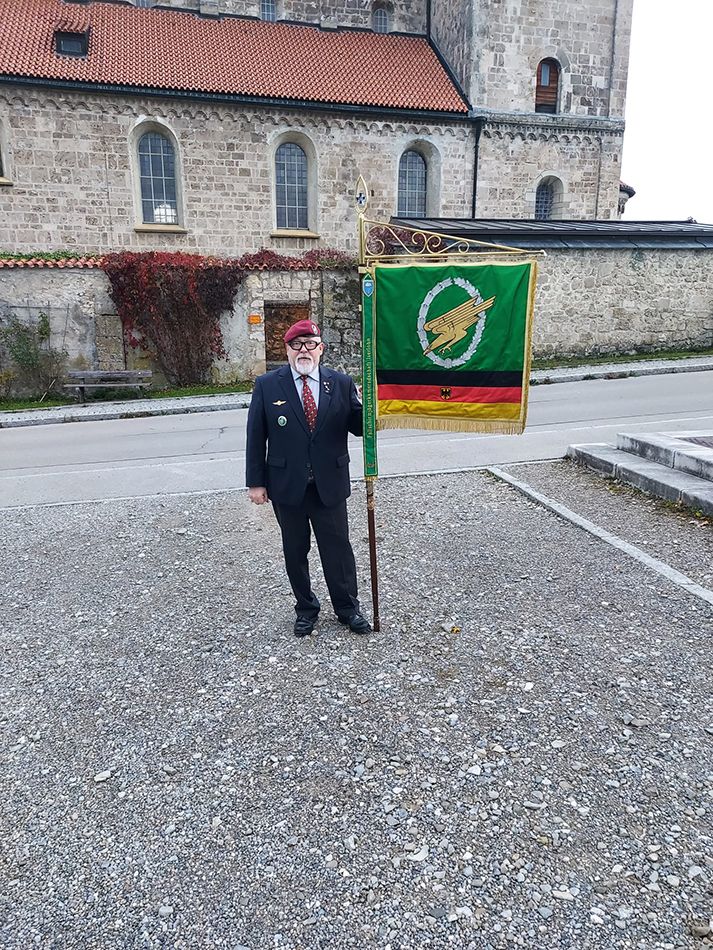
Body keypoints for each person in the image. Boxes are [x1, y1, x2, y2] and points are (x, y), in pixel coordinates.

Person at [245, 319, 371, 638]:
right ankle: (306, 609)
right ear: (286, 349)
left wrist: (374, 405)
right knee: (295, 551)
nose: (304, 351)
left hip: (329, 483)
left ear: (321, 350)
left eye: (311, 345)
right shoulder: (267, 385)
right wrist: (256, 483)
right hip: (288, 486)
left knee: (338, 550)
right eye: (297, 345)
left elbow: (360, 426)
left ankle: (347, 608)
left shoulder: (340, 383)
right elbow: (256, 436)